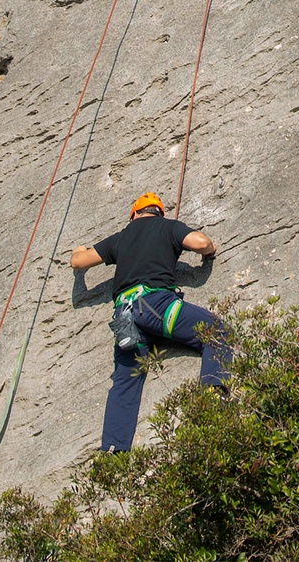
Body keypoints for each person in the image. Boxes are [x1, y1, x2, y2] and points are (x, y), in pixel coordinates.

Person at [70, 192, 231, 452]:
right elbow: (201, 242)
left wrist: (78, 249)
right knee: (216, 332)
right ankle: (212, 403)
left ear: (134, 215)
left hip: (125, 317)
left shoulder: (120, 238)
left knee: (126, 380)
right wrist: (209, 254)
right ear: (159, 213)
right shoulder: (168, 228)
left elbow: (78, 261)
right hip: (154, 306)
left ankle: (114, 451)